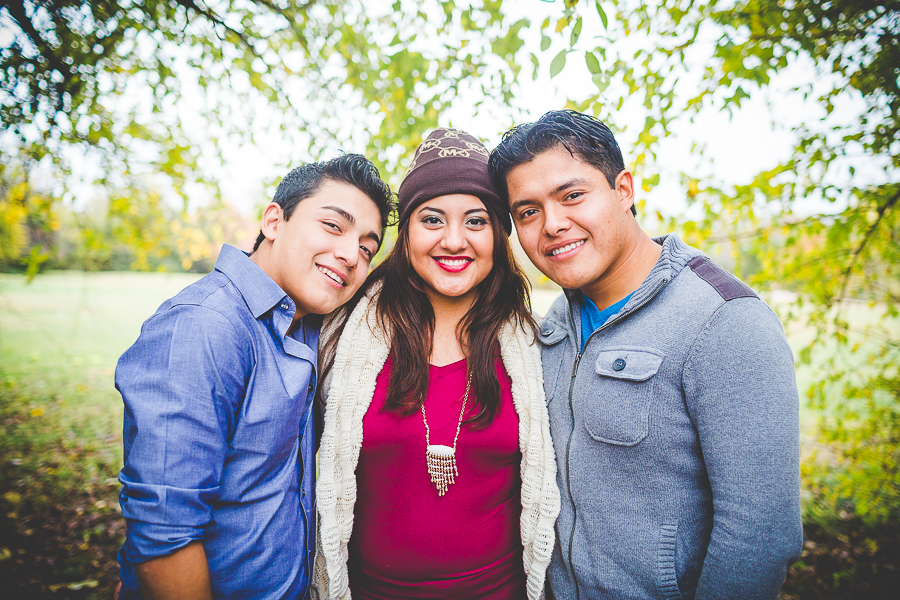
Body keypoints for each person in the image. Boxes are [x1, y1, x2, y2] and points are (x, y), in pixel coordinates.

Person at [488, 110, 803, 600]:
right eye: (527, 211)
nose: (552, 224)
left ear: (623, 190)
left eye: (572, 195)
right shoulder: (554, 324)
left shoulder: (725, 321)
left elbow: (758, 537)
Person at [114, 154, 393, 600]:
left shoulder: (308, 321)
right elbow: (164, 539)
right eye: (333, 227)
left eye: (366, 247)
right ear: (274, 221)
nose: (349, 254)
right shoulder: (205, 326)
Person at [312, 129, 560, 600]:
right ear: (405, 233)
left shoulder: (535, 345)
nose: (453, 240)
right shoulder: (341, 335)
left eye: (475, 221)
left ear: (498, 235)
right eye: (432, 219)